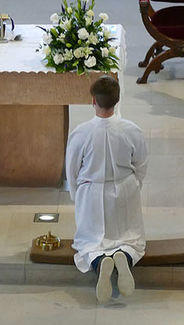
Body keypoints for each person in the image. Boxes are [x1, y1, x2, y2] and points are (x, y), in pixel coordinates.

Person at [66, 75, 147, 305]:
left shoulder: (81, 132)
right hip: (125, 189)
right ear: (117, 100)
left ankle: (100, 262)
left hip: (91, 193)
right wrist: (133, 187)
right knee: (133, 240)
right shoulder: (131, 130)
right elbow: (141, 164)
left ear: (93, 101)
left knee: (88, 243)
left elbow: (71, 169)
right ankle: (125, 256)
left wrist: (77, 196)